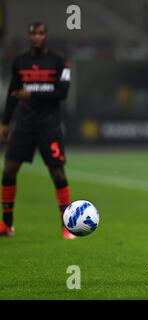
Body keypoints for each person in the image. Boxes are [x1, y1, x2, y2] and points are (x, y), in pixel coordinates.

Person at [0, 22, 74, 239]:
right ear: (28, 36)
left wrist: (32, 95)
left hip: (49, 125)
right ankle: (7, 224)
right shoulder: (20, 62)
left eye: (41, 33)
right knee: (9, 170)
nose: (36, 37)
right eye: (33, 34)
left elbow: (62, 93)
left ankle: (66, 226)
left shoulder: (60, 62)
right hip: (24, 124)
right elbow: (13, 93)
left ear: (46, 36)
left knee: (57, 173)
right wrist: (5, 123)